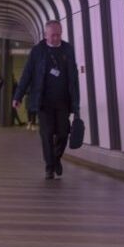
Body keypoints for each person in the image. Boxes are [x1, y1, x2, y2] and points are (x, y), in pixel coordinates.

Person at [13, 19, 82, 179]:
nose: (57, 38)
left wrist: (76, 101)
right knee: (47, 133)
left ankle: (56, 158)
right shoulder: (38, 51)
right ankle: (49, 167)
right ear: (45, 35)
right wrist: (18, 95)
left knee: (64, 133)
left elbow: (73, 77)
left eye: (59, 35)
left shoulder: (68, 49)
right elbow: (27, 74)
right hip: (43, 101)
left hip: (63, 100)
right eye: (53, 35)